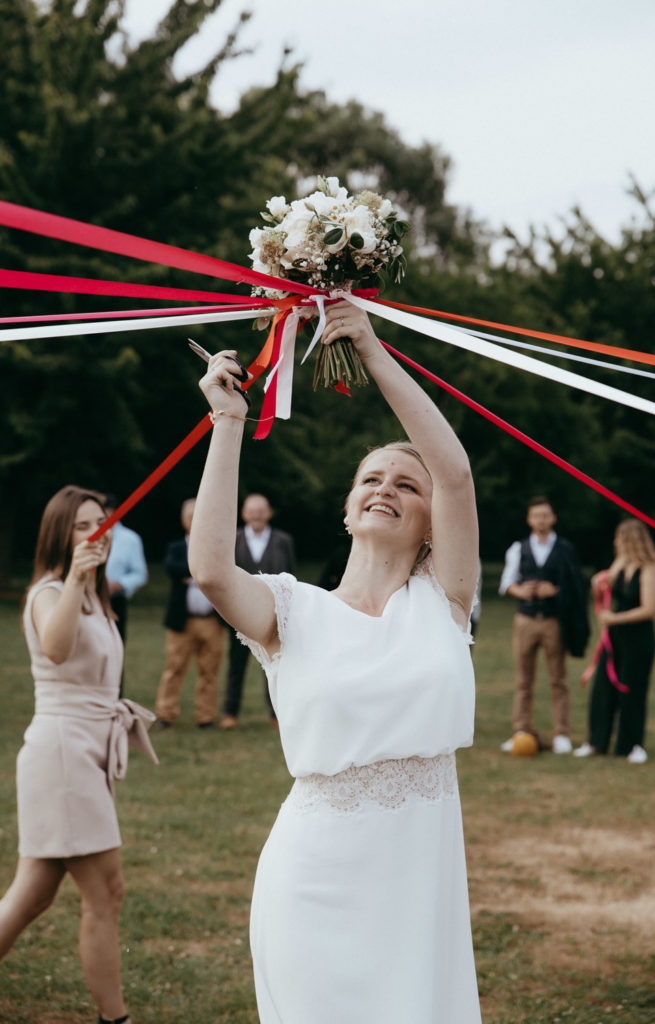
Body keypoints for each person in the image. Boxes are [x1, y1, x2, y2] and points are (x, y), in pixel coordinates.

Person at [188, 300, 481, 1023]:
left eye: (405, 486)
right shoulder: (292, 611)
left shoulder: (444, 599)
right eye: (370, 480)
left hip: (418, 884)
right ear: (348, 509)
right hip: (312, 882)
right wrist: (228, 424)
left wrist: (371, 350)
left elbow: (455, 474)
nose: (386, 487)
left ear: (427, 526)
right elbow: (213, 569)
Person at [0, 485, 157, 1024]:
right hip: (62, 752)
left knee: (31, 897)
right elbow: (58, 648)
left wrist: (84, 581)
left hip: (86, 749)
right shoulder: (49, 591)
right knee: (106, 891)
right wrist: (73, 578)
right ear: (59, 533)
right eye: (84, 524)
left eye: (104, 520)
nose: (100, 531)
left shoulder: (95, 594)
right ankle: (116, 1019)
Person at [574, 519, 655, 764]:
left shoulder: (650, 571)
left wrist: (614, 618)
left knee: (632, 690)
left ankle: (632, 745)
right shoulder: (621, 564)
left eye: (619, 538)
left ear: (629, 540)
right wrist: (598, 585)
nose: (615, 542)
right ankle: (596, 741)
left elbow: (649, 609)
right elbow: (604, 588)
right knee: (603, 687)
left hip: (639, 639)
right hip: (615, 638)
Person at [499, 496, 588, 754]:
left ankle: (561, 734)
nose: (541, 520)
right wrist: (521, 591)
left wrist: (555, 591)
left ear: (553, 518)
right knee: (523, 680)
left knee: (558, 679)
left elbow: (575, 586)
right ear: (529, 519)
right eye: (537, 515)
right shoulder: (518, 548)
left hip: (553, 622)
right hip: (525, 619)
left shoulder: (565, 549)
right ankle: (521, 730)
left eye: (546, 515)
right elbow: (507, 583)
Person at [219, 493, 296, 730]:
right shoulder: (233, 539)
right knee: (236, 664)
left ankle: (277, 713)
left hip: (274, 612)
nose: (257, 515)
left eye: (261, 510)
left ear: (269, 513)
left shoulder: (283, 540)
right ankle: (230, 713)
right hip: (238, 611)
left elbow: (291, 574)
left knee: (275, 663)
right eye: (252, 510)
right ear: (243, 513)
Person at [154, 497, 225, 730]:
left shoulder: (218, 546)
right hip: (182, 621)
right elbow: (173, 569)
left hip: (211, 621)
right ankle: (165, 714)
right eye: (190, 517)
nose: (195, 521)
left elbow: (221, 572)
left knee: (210, 670)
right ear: (183, 520)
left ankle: (205, 717)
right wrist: (198, 570)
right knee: (174, 668)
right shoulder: (175, 547)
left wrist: (190, 575)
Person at [103, 494, 148, 645]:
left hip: (115, 601)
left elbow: (140, 573)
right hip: (85, 600)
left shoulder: (130, 539)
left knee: (115, 646)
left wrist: (120, 584)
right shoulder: (84, 536)